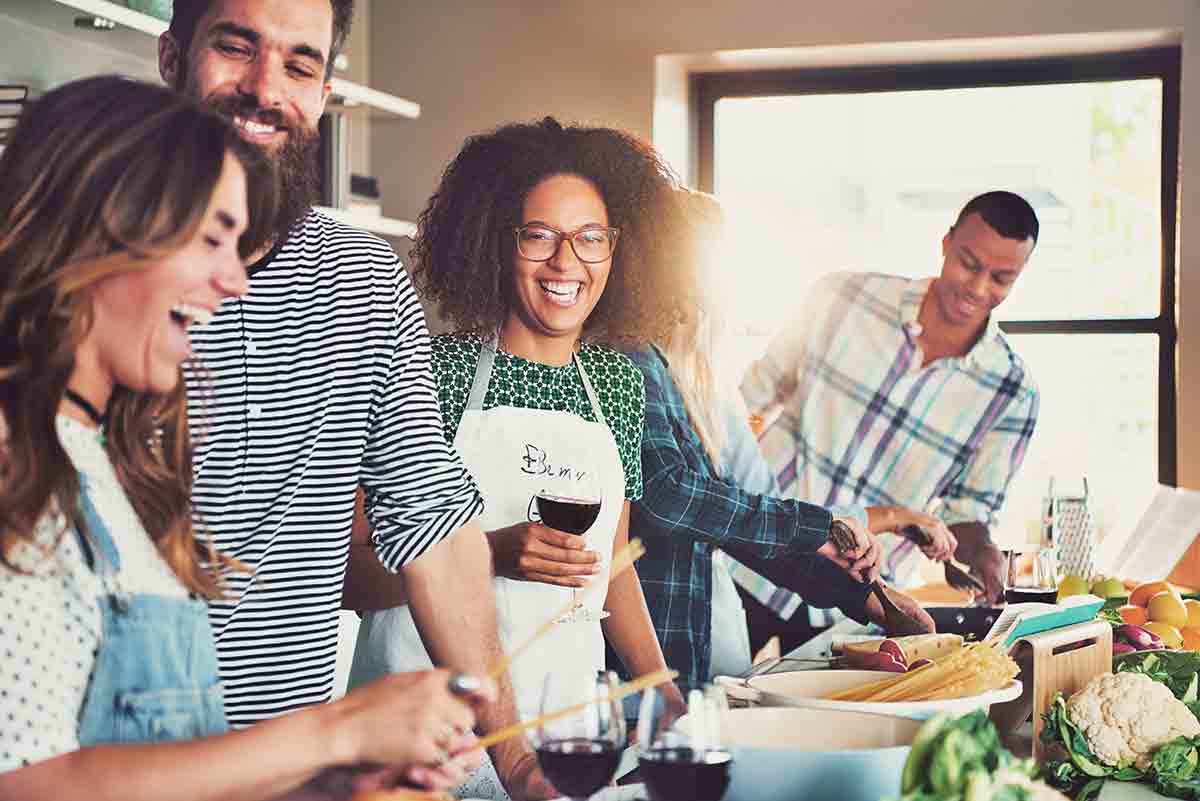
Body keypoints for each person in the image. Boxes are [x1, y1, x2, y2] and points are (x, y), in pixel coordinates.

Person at [0, 75, 494, 801]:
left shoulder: (109, 467)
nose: (234, 281)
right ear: (97, 229)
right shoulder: (16, 463)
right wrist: (339, 731)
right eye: (211, 240)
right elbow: (24, 780)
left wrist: (331, 782)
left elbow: (152, 764)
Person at [157, 3, 541, 794]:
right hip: (111, 767)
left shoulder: (361, 277)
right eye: (236, 47)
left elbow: (432, 521)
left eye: (300, 65)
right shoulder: (85, 281)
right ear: (171, 58)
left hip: (302, 775)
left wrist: (517, 759)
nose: (266, 88)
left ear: (325, 90)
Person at [347, 117, 685, 800]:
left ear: (619, 249)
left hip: (564, 738)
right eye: (540, 235)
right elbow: (351, 576)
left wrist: (663, 689)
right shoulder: (427, 372)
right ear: (496, 243)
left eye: (590, 237)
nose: (567, 262)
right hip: (424, 740)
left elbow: (611, 566)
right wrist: (489, 551)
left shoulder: (618, 385)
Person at [624, 190, 933, 690]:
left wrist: (871, 601)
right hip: (636, 673)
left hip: (688, 659)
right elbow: (669, 495)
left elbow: (735, 526)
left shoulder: (680, 376)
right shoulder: (628, 360)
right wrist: (818, 525)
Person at [734, 190, 1041, 648]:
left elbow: (968, 514)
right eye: (969, 263)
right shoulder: (842, 297)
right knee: (703, 707)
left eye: (1001, 278)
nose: (978, 288)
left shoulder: (1012, 392)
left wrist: (986, 556)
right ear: (946, 242)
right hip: (751, 556)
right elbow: (746, 405)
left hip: (855, 599)